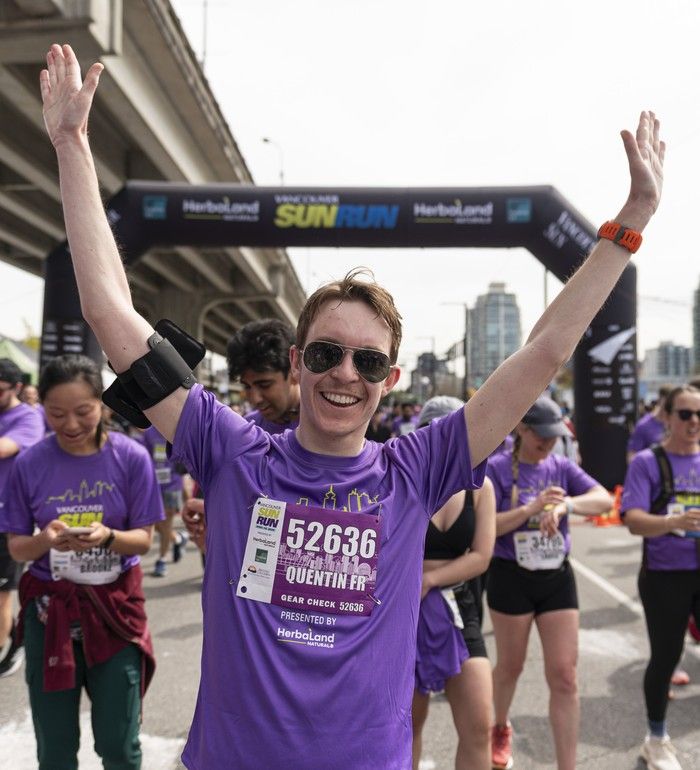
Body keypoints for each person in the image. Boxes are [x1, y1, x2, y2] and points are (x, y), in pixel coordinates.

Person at [39, 42, 664, 769]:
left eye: (368, 360)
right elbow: (111, 315)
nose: (346, 373)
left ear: (390, 378)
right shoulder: (233, 449)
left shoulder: (420, 467)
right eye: (328, 353)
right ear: (299, 363)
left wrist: (631, 222)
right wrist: (72, 145)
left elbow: (545, 352)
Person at [0, 354, 164, 769]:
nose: (70, 425)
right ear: (42, 409)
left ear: (103, 405)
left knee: (119, 747)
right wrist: (45, 540)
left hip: (114, 615)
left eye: (83, 412)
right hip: (48, 618)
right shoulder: (29, 463)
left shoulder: (131, 458)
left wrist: (107, 536)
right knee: (54, 751)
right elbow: (18, 548)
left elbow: (143, 541)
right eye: (56, 414)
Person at [486, 396, 612, 770]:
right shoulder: (495, 468)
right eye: (542, 437)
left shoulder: (560, 466)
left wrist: (564, 506)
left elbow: (603, 499)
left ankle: (567, 765)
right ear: (521, 429)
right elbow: (484, 528)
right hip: (510, 576)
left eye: (555, 437)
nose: (549, 444)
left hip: (556, 576)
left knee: (565, 675)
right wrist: (529, 510)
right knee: (511, 666)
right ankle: (499, 726)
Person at [411, 396, 496, 770]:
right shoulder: (407, 478)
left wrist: (430, 579)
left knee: (480, 727)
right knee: (405, 726)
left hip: (459, 608)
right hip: (406, 610)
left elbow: (481, 556)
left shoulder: (482, 486)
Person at [621, 385, 700, 770]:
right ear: (667, 418)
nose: (694, 422)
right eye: (685, 414)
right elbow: (633, 520)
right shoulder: (648, 463)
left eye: (699, 414)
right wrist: (672, 522)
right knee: (667, 656)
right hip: (665, 575)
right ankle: (656, 739)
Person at [181, 318, 301, 554]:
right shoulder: (242, 433)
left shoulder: (328, 432)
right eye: (247, 386)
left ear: (295, 370)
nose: (254, 398)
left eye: (265, 384)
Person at [0, 358, 44, 678]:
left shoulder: (28, 418)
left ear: (16, 388)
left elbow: (4, 448)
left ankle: (11, 647)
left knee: (2, 593)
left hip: (7, 521)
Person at [142, 424, 190, 577]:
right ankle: (178, 538)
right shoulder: (149, 433)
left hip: (172, 485)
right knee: (154, 523)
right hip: (153, 485)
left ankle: (162, 560)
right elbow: (143, 458)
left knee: (166, 522)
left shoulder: (177, 430)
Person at [628, 385, 672, 463]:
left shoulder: (677, 423)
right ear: (659, 400)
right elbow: (632, 456)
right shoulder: (644, 425)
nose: (668, 407)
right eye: (666, 403)